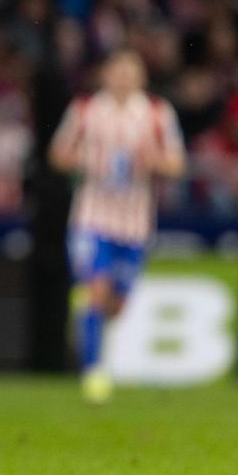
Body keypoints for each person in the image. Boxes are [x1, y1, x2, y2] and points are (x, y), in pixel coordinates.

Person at [49, 49, 187, 403]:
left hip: (135, 222)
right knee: (96, 288)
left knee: (117, 303)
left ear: (141, 77)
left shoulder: (156, 113)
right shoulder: (85, 110)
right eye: (118, 71)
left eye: (131, 71)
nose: (124, 78)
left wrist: (154, 161)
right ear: (105, 75)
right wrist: (88, 161)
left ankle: (90, 322)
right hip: (91, 216)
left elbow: (177, 164)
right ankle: (93, 371)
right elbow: (58, 154)